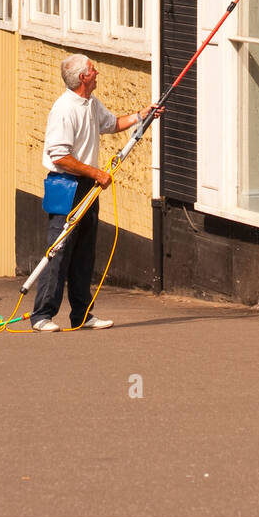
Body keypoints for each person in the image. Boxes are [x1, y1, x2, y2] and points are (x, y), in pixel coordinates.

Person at [30, 53, 160, 332]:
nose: (97, 71)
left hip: (88, 185)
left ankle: (82, 314)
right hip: (65, 185)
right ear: (82, 78)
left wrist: (142, 115)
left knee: (85, 253)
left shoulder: (91, 104)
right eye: (92, 69)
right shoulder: (64, 109)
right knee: (59, 250)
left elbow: (112, 124)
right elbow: (60, 155)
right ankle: (42, 315)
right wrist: (96, 172)